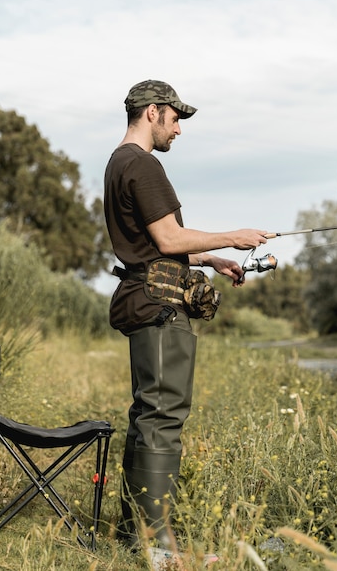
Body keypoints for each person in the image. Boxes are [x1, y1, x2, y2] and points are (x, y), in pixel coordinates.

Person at [103, 80, 267, 564]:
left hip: (144, 296)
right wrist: (235, 236)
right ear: (152, 112)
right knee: (163, 417)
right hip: (158, 305)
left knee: (147, 417)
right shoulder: (143, 164)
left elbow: (157, 240)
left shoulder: (118, 162)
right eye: (176, 118)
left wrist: (213, 258)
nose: (179, 128)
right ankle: (160, 549)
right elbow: (170, 238)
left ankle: (136, 538)